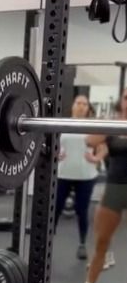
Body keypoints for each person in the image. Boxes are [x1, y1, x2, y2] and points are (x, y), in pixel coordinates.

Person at [69, 91, 127, 283]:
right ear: (121, 101)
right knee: (101, 241)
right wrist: (101, 123)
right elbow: (90, 140)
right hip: (115, 187)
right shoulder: (113, 125)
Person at [54, 95, 101, 260]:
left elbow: (103, 146)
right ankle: (47, 240)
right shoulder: (63, 124)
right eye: (78, 103)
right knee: (55, 208)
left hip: (86, 175)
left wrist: (97, 158)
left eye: (84, 104)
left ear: (88, 108)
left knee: (82, 211)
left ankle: (82, 244)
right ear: (73, 106)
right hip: (63, 173)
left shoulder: (93, 126)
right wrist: (55, 153)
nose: (81, 106)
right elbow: (52, 144)